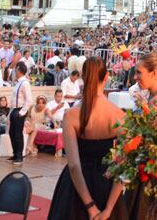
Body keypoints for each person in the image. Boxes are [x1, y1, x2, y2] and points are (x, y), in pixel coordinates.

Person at [103, 51, 157, 220]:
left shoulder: (156, 103)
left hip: (150, 185)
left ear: (154, 73)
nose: (135, 77)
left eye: (139, 72)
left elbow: (135, 146)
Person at [48, 57, 128, 220]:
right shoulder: (119, 116)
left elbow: (74, 166)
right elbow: (123, 167)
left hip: (76, 190)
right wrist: (108, 209)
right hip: (106, 184)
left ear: (83, 77)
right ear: (106, 77)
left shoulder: (72, 115)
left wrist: (90, 206)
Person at [9, 62, 33, 164]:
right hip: (14, 109)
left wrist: (22, 112)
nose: (15, 71)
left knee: (18, 134)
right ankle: (15, 154)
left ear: (19, 70)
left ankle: (19, 156)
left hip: (19, 110)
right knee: (12, 133)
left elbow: (29, 100)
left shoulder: (25, 83)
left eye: (16, 69)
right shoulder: (18, 82)